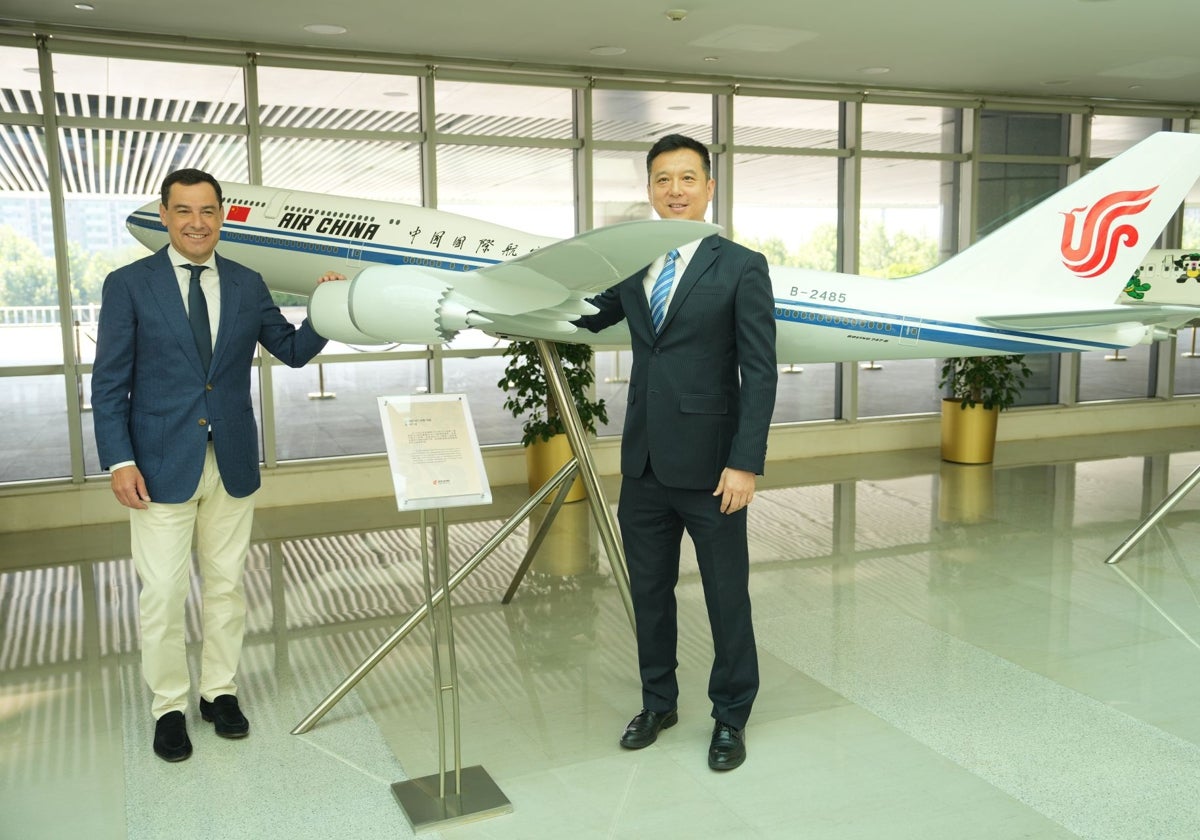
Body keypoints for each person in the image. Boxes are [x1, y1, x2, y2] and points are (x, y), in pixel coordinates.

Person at [91, 168, 345, 763]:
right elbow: (109, 385)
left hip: (229, 460)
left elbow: (292, 351)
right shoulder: (129, 284)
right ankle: (169, 707)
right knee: (162, 592)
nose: (197, 222)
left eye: (207, 211)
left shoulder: (247, 282)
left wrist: (327, 308)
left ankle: (219, 692)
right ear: (165, 214)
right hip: (156, 465)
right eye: (184, 211)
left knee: (227, 588)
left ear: (222, 214)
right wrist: (119, 460)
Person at [576, 134, 778, 771]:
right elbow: (582, 317)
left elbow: (760, 371)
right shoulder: (634, 264)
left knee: (726, 597)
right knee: (650, 594)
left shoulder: (742, 266)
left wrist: (745, 463)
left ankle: (730, 714)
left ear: (710, 188)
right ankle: (658, 700)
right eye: (663, 180)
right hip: (644, 467)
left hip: (715, 467)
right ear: (650, 191)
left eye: (688, 178)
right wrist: (484, 302)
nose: (675, 190)